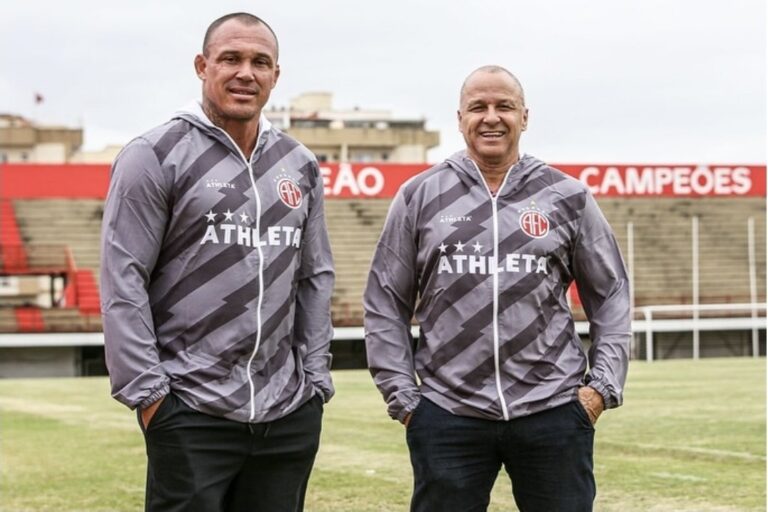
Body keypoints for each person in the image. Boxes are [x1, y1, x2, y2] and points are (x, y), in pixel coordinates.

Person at [364, 65, 630, 512]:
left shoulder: (567, 196)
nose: (491, 117)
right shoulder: (419, 195)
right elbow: (385, 301)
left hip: (552, 410)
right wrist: (406, 400)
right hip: (448, 414)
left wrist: (599, 389)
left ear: (524, 116)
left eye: (504, 106)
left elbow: (611, 293)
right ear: (460, 118)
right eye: (478, 107)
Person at [100, 12, 334, 512]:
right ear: (202, 66)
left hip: (286, 412)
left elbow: (314, 277)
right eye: (231, 59)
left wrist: (315, 381)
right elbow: (123, 280)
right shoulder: (153, 154)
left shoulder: (299, 164)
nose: (245, 73)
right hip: (190, 410)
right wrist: (152, 398)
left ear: (275, 75)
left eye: (260, 62)